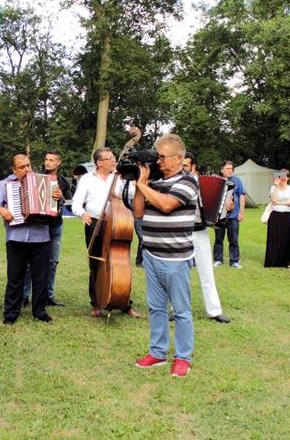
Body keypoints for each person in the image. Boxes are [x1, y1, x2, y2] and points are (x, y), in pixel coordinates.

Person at [133, 133, 198, 378]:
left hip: (175, 259)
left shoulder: (188, 182)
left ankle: (183, 357)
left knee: (181, 311)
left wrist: (142, 184)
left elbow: (167, 205)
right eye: (156, 156)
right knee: (156, 308)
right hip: (151, 255)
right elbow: (139, 212)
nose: (158, 161)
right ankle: (157, 352)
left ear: (179, 158)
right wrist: (140, 184)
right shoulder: (154, 183)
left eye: (162, 157)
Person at [0, 154, 59, 324]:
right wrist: (2, 211)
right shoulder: (6, 185)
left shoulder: (46, 181)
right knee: (15, 277)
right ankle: (11, 313)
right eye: (22, 167)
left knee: (41, 276)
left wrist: (57, 196)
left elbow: (54, 206)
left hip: (41, 237)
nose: (27, 169)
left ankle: (40, 311)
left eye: (28, 165)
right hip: (16, 238)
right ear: (14, 170)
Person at [71, 147, 139, 318]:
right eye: (109, 158)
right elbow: (76, 203)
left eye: (113, 157)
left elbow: (130, 193)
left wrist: (132, 181)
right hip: (94, 222)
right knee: (95, 264)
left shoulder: (118, 177)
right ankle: (96, 303)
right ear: (99, 162)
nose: (114, 160)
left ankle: (125, 303)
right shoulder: (87, 179)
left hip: (117, 222)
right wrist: (82, 213)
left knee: (120, 262)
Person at [182, 154, 230, 323]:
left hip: (200, 231)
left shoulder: (202, 183)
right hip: (180, 230)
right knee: (180, 273)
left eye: (186, 166)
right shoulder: (176, 182)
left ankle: (214, 310)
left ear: (194, 166)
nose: (183, 169)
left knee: (206, 270)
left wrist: (225, 208)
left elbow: (219, 214)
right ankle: (178, 308)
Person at [22, 151, 73, 307]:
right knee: (31, 263)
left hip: (56, 226)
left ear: (59, 163)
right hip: (38, 225)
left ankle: (48, 296)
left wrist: (61, 197)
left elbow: (70, 205)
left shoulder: (64, 182)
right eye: (46, 159)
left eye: (51, 160)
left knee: (52, 262)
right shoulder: (35, 178)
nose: (48, 162)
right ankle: (24, 296)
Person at [213, 160, 246, 268]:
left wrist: (241, 213)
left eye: (231, 169)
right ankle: (218, 260)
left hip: (233, 216)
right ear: (222, 170)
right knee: (218, 239)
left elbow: (241, 196)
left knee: (234, 239)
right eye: (228, 168)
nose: (230, 170)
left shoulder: (237, 180)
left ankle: (234, 261)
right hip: (219, 216)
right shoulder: (216, 180)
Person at [264, 169, 290, 268]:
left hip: (287, 215)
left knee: (286, 238)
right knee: (274, 238)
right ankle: (272, 260)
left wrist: (280, 203)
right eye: (280, 176)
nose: (282, 179)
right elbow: (273, 200)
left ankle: (286, 261)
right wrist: (277, 186)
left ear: (288, 178)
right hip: (275, 215)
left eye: (284, 177)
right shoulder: (273, 188)